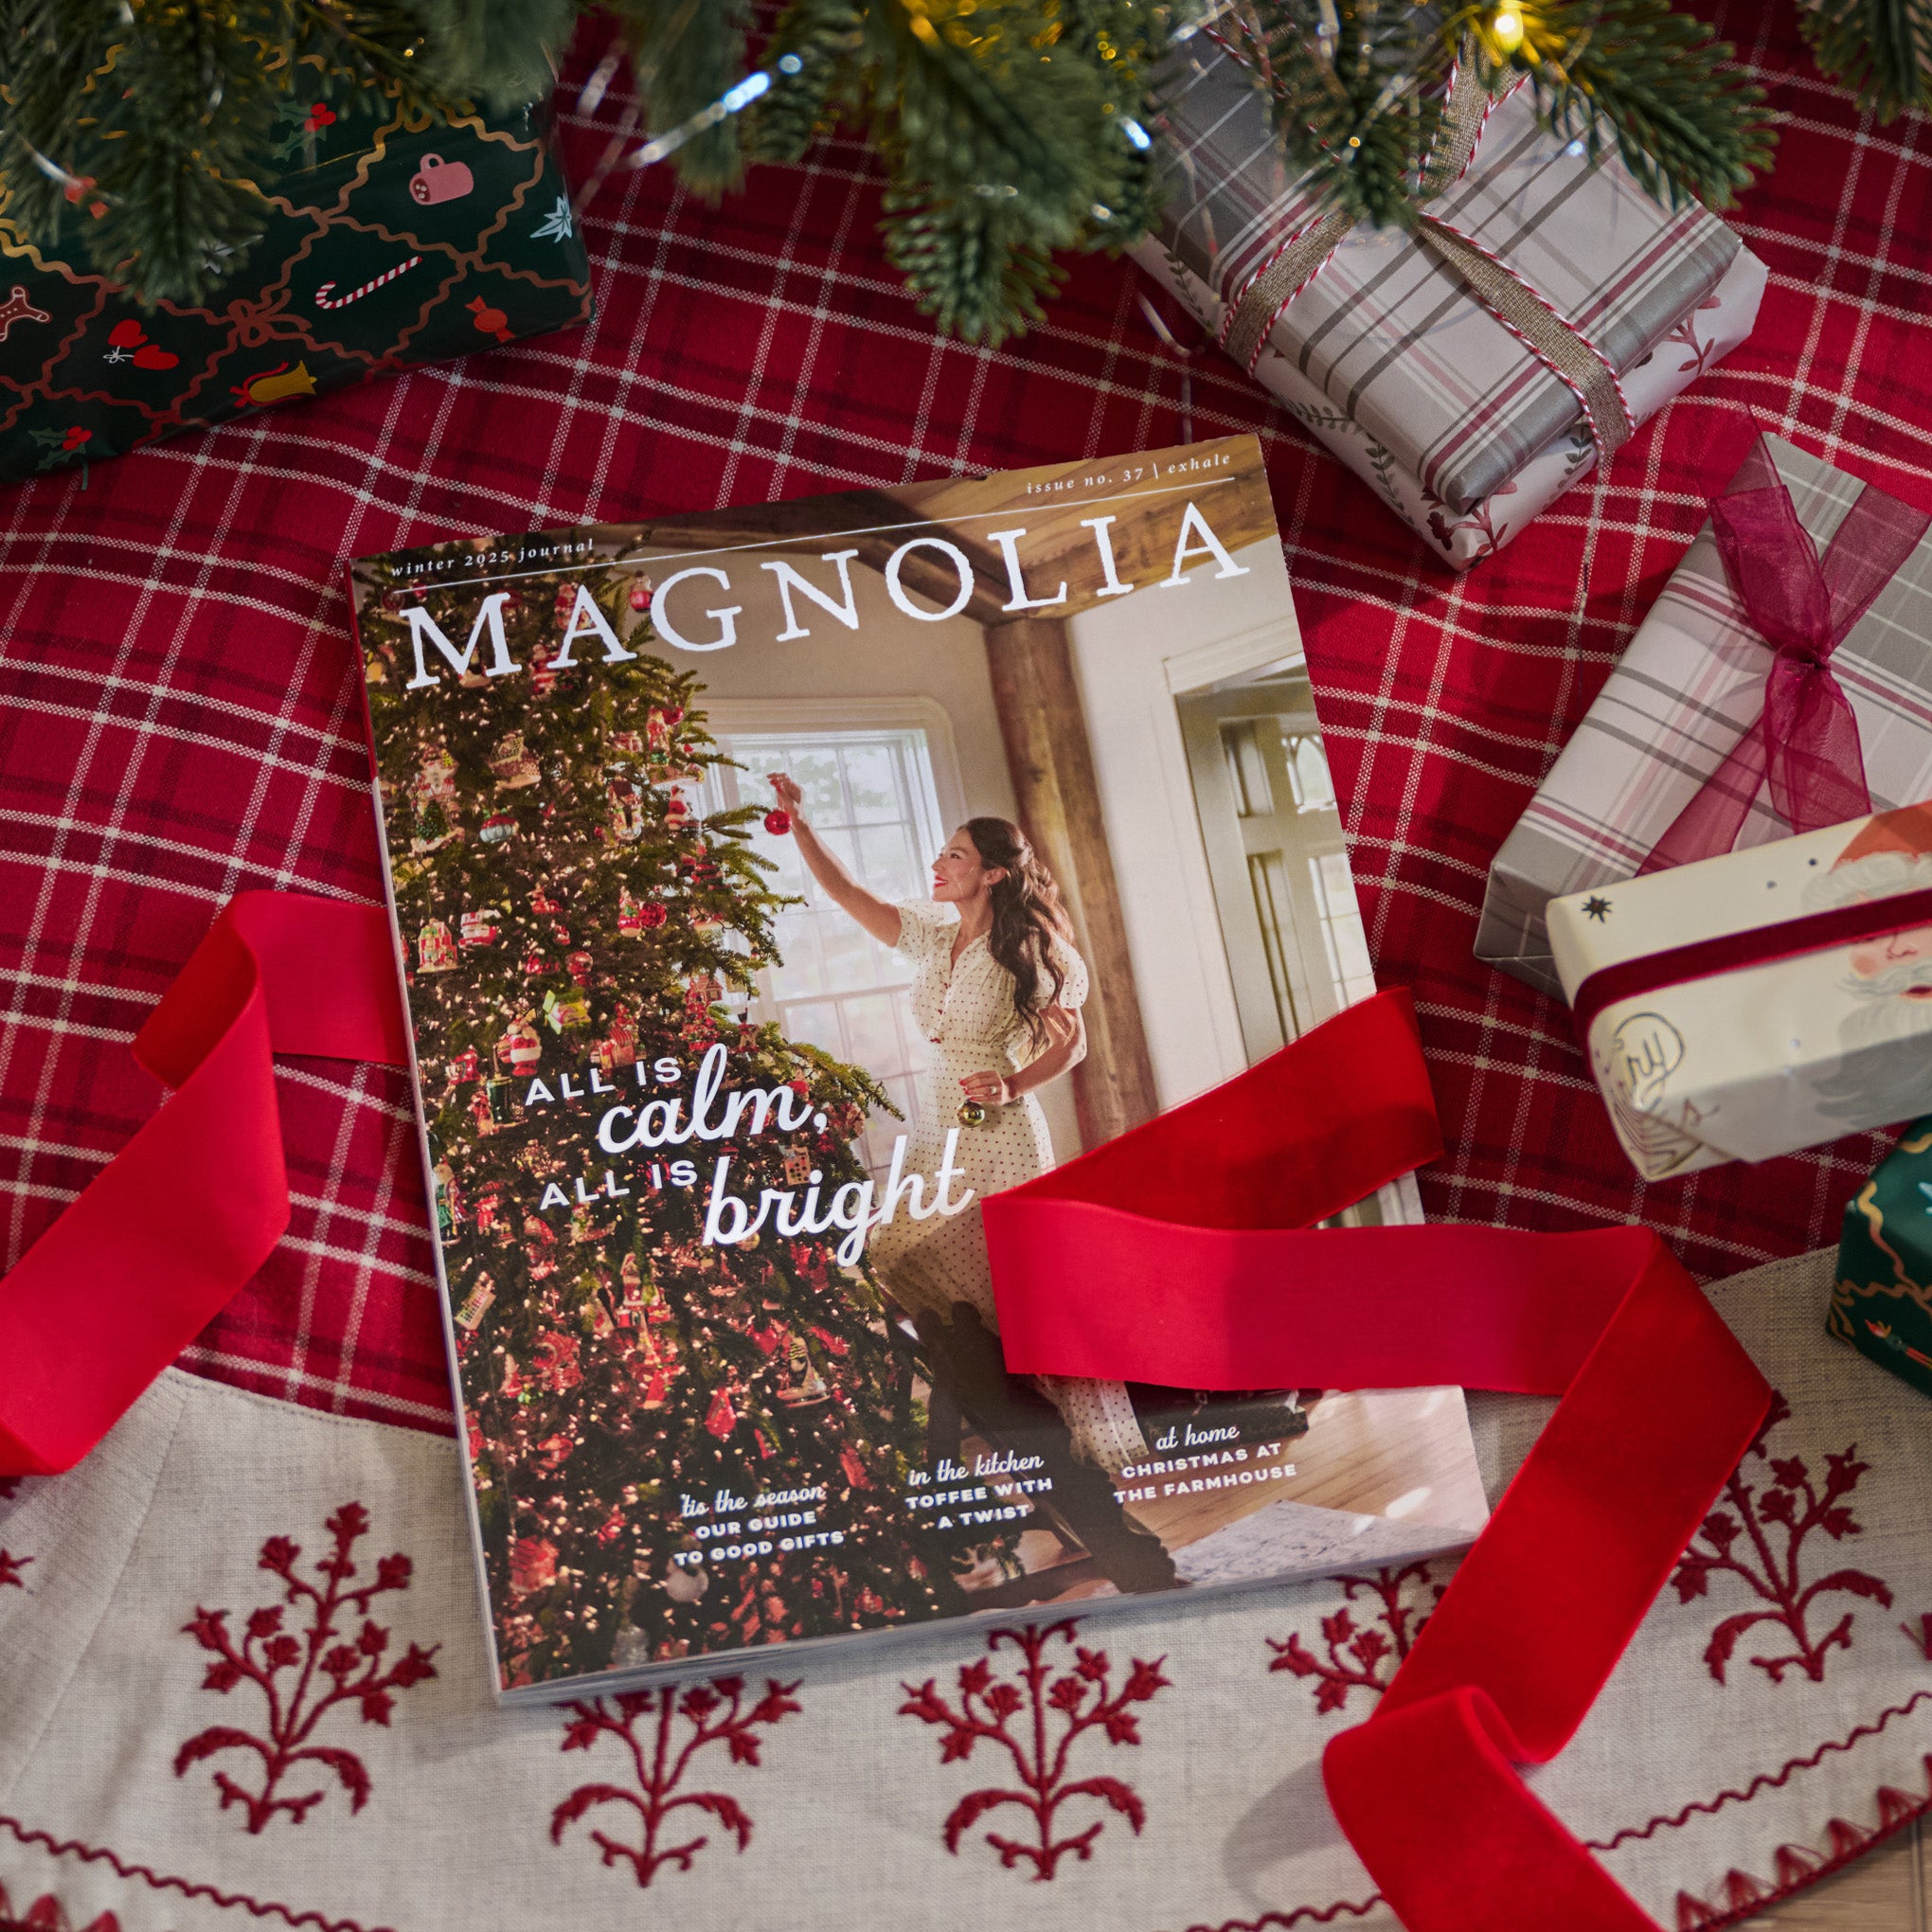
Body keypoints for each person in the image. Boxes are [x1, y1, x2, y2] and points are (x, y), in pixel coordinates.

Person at [769, 774, 1177, 1593]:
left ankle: (1043, 1445)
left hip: (998, 1134)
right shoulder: (930, 934)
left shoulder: (1036, 952)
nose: (938, 862)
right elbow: (850, 895)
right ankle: (1016, 1423)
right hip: (934, 1125)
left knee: (995, 1300)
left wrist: (1018, 1084)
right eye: (942, 852)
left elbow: (1075, 1049)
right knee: (903, 1263)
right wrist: (804, 826)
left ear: (993, 872)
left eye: (955, 854)